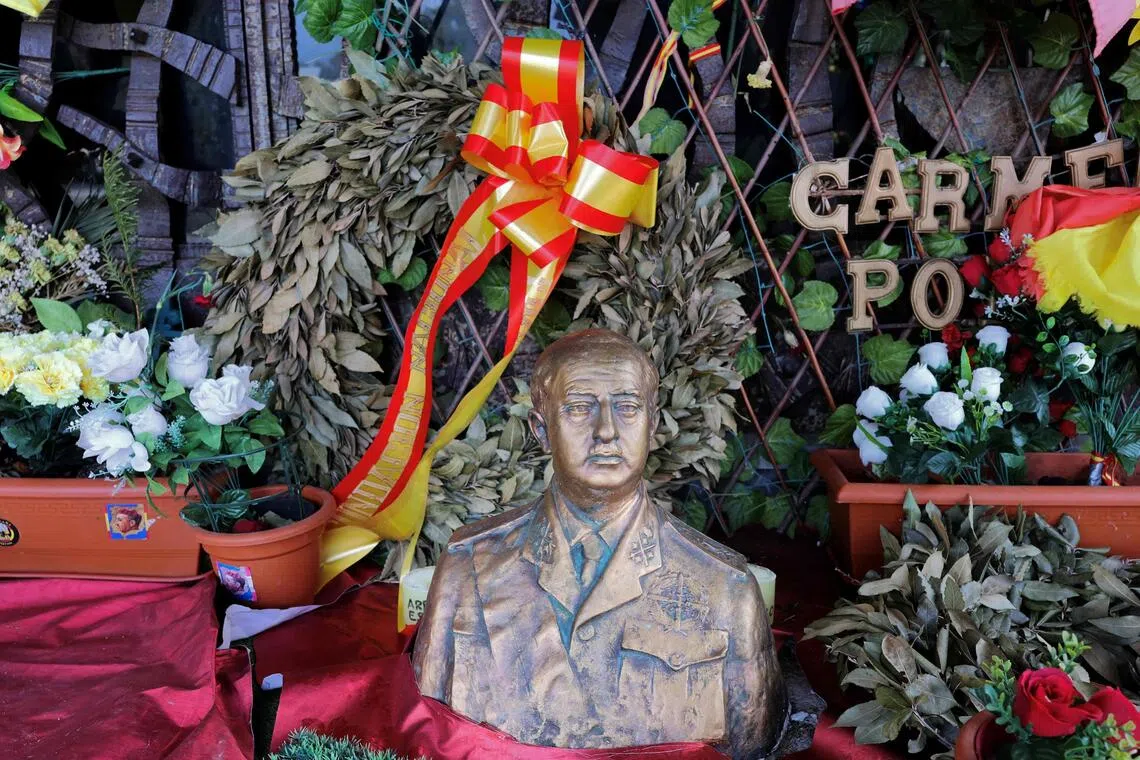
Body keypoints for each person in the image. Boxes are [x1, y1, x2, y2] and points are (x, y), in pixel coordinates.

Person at [413, 329, 786, 758]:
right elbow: (425, 732)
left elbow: (752, 743)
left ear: (652, 421)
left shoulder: (724, 586)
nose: (606, 431)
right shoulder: (469, 565)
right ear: (541, 428)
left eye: (627, 407)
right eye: (579, 408)